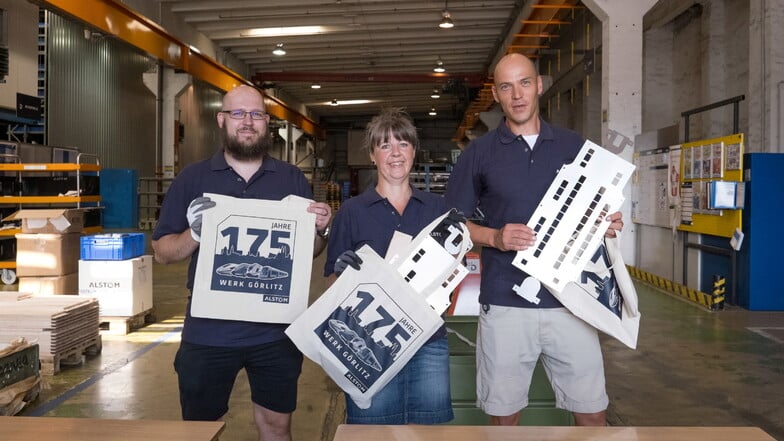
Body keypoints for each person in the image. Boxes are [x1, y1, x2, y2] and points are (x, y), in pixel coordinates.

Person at [444, 53, 624, 427]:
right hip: (506, 303)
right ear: (496, 94)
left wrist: (606, 224)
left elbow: (596, 211)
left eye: (525, 83)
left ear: (539, 85)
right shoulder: (478, 154)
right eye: (507, 87)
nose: (518, 95)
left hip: (571, 302)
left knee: (593, 412)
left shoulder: (574, 147)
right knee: (504, 416)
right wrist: (494, 236)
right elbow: (451, 226)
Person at [151, 85, 332, 441]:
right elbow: (162, 251)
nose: (247, 122)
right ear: (222, 120)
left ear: (267, 123)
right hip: (209, 332)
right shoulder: (193, 179)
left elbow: (308, 250)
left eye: (256, 115)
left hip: (275, 332)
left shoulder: (291, 178)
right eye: (238, 114)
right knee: (202, 431)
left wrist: (321, 230)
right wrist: (196, 233)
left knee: (276, 427)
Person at [324, 107, 461, 425]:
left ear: (414, 151)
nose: (395, 153)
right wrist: (341, 275)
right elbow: (331, 284)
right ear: (373, 155)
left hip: (428, 341)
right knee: (373, 430)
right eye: (385, 145)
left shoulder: (437, 209)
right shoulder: (352, 212)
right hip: (370, 345)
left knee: (430, 432)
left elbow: (452, 275)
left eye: (403, 143)